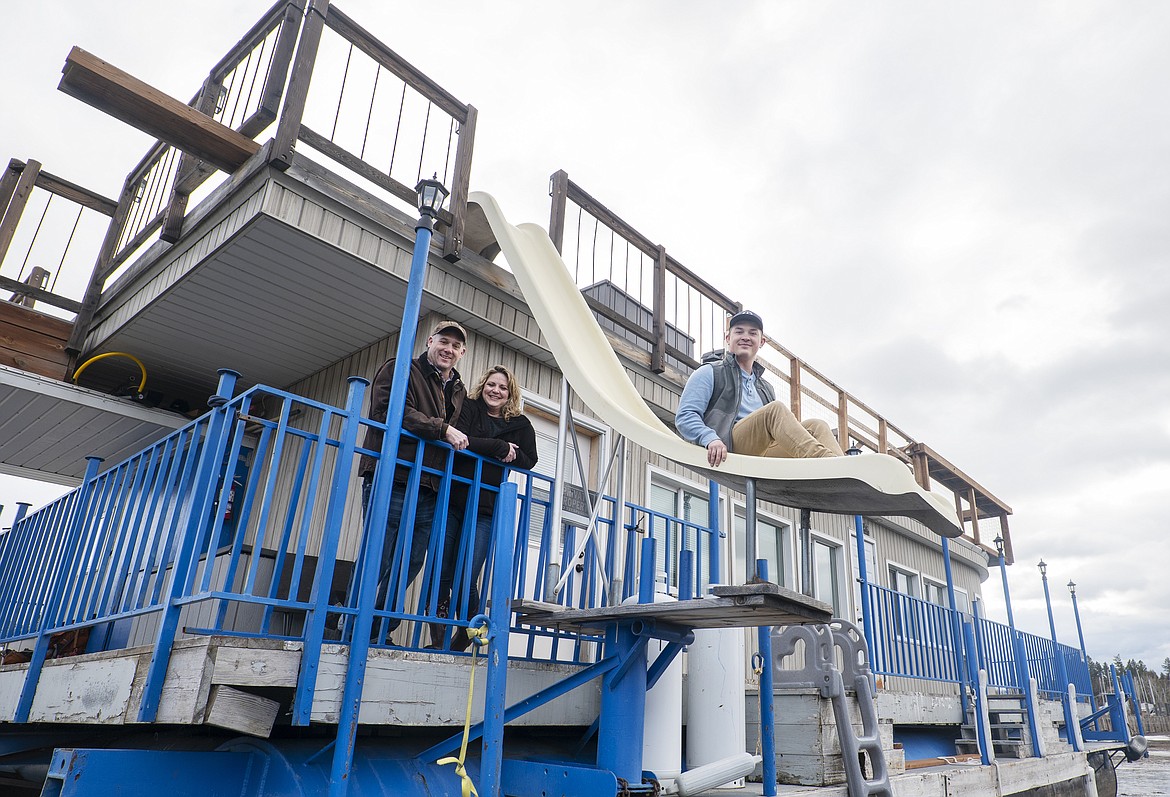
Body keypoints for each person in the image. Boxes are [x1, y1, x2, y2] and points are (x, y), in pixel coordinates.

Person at [356, 320, 470, 643]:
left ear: (462, 352)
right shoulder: (401, 368)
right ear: (430, 341)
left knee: (411, 561)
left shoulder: (458, 389)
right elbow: (388, 411)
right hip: (395, 475)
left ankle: (378, 629)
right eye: (443, 342)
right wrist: (441, 429)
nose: (448, 349)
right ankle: (352, 626)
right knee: (379, 555)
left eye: (455, 346)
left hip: (430, 487)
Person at [433, 364, 538, 650]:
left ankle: (462, 641)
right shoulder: (468, 408)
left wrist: (500, 449)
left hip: (486, 508)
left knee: (466, 575)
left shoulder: (520, 424)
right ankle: (438, 640)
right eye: (492, 385)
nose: (496, 391)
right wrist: (498, 447)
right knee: (440, 572)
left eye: (503, 387)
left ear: (510, 394)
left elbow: (530, 460)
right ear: (484, 386)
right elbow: (460, 439)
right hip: (453, 500)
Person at [675, 310, 844, 466]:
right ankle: (830, 465)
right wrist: (710, 438)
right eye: (739, 331)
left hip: (763, 453)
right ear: (728, 338)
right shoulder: (711, 372)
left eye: (752, 333)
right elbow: (685, 416)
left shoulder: (765, 388)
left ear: (761, 341)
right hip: (729, 446)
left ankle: (844, 474)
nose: (746, 337)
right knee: (774, 410)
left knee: (817, 425)